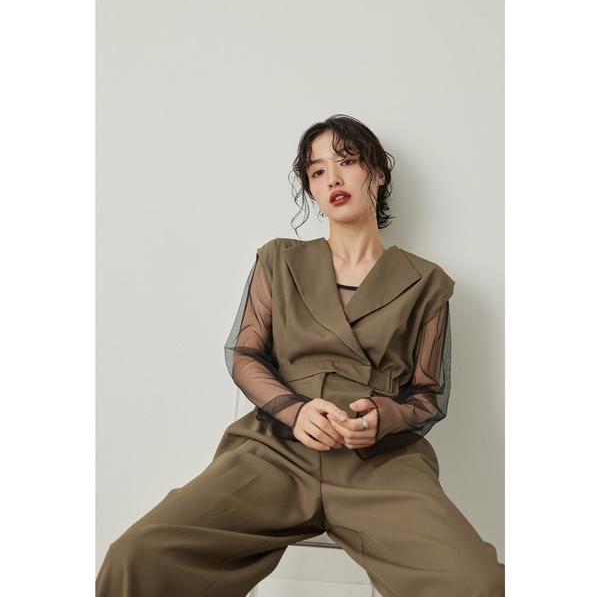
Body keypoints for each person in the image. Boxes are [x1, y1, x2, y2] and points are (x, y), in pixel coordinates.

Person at [97, 114, 505, 596]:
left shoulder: (426, 282)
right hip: (276, 451)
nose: (332, 178)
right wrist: (295, 411)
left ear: (377, 173)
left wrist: (380, 417)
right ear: (310, 188)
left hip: (380, 464)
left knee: (476, 581)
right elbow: (246, 353)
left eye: (346, 161)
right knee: (137, 555)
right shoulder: (280, 260)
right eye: (317, 171)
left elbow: (427, 394)